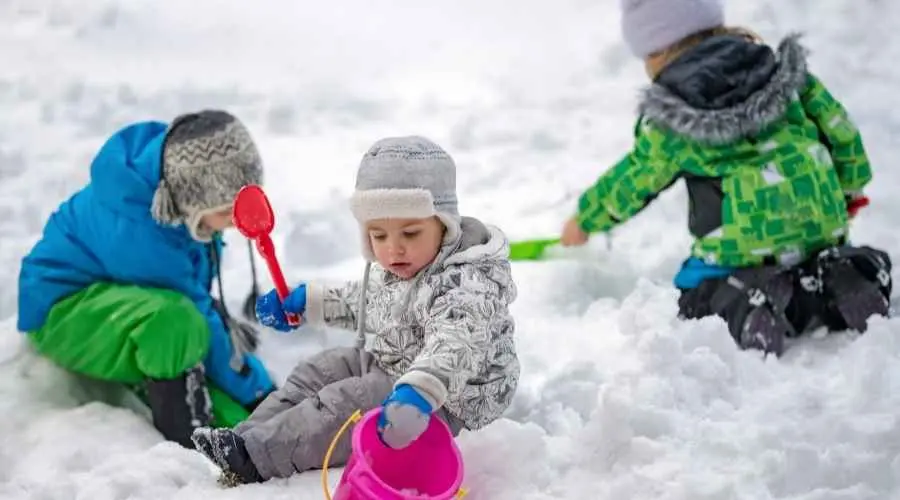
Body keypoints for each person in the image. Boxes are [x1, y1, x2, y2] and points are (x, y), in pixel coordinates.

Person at [560, 0, 891, 356]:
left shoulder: (672, 117)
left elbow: (635, 179)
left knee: (694, 291)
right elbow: (841, 131)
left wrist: (586, 218)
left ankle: (745, 301)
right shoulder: (784, 72)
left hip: (745, 245)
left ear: (655, 51)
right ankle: (847, 275)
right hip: (822, 223)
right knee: (817, 258)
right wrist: (850, 189)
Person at [191, 136, 520, 485]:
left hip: (448, 398)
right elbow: (365, 300)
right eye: (378, 236)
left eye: (410, 232)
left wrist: (417, 395)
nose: (393, 248)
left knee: (345, 404)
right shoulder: (406, 263)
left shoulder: (465, 284)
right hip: (395, 363)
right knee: (319, 370)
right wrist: (309, 302)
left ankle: (255, 460)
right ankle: (245, 439)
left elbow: (455, 345)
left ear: (445, 224)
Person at [17, 110, 276, 448]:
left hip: (117, 293)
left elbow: (193, 291)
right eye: (228, 211)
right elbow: (194, 310)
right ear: (190, 198)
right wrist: (261, 394)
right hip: (63, 313)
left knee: (189, 326)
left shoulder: (174, 189)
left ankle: (181, 376)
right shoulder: (143, 233)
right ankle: (190, 430)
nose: (238, 220)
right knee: (178, 323)